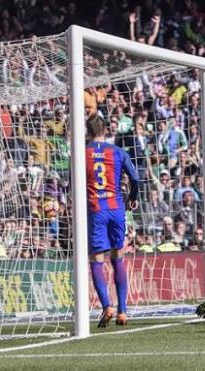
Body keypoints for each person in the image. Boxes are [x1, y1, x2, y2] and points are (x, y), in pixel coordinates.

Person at [85, 115, 139, 327]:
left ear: (87, 132)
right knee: (118, 257)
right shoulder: (118, 152)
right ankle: (123, 311)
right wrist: (133, 197)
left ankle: (107, 305)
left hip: (95, 210)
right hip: (116, 209)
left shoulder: (82, 153)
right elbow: (135, 178)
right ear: (105, 130)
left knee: (96, 258)